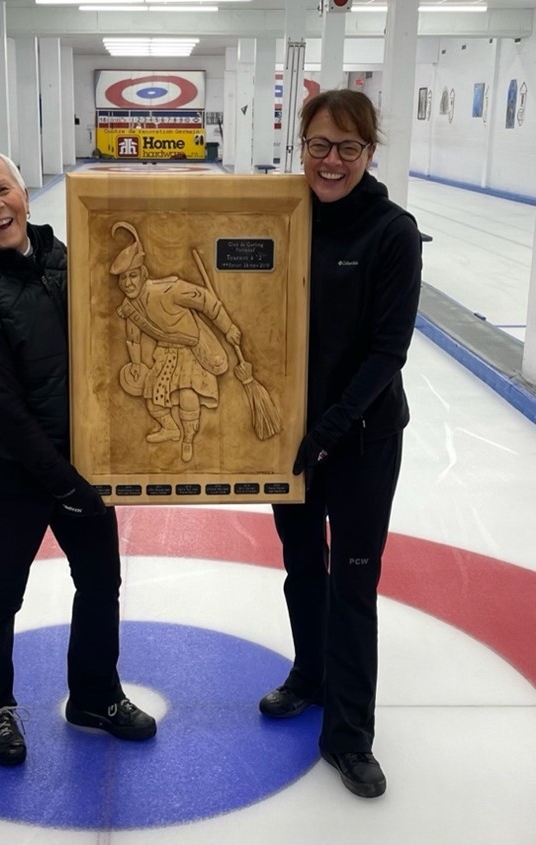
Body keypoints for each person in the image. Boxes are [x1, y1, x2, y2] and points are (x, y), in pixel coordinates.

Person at [0, 148, 156, 766]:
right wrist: (64, 482)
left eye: (2, 189)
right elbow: (4, 410)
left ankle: (94, 695)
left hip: (80, 461)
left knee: (100, 582)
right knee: (2, 589)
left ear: (24, 194)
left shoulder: (61, 257)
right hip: (8, 473)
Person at [258, 90, 422, 798]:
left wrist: (328, 430)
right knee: (302, 568)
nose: (331, 161)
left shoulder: (391, 231)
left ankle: (350, 734)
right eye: (319, 145)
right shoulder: (282, 218)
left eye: (347, 148)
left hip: (359, 441)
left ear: (369, 153)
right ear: (301, 146)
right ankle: (310, 674)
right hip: (289, 444)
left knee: (352, 583)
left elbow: (388, 350)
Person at [111, 221, 242, 462]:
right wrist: (137, 364)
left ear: (143, 274)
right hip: (165, 351)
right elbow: (133, 336)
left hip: (193, 348)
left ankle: (188, 439)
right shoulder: (130, 306)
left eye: (132, 275)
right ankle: (170, 429)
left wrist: (229, 328)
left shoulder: (169, 290)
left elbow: (206, 301)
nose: (128, 283)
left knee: (187, 394)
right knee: (153, 397)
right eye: (123, 279)